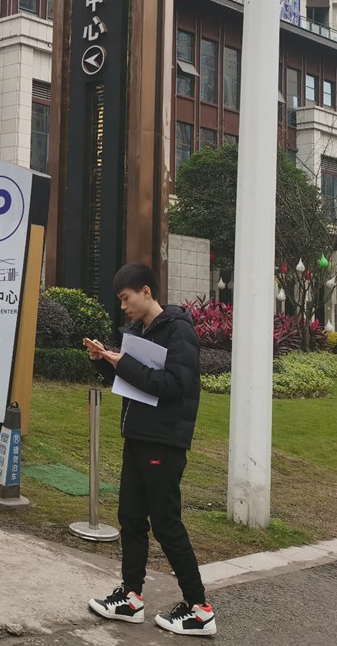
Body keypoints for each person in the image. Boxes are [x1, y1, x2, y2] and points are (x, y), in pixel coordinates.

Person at [83, 263, 215, 637]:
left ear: (146, 291)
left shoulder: (179, 330)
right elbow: (135, 382)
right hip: (138, 437)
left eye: (126, 299)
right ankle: (131, 597)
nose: (123, 307)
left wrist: (124, 363)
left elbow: (173, 384)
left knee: (166, 523)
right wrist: (107, 363)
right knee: (130, 517)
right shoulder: (137, 332)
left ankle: (200, 609)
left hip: (164, 442)